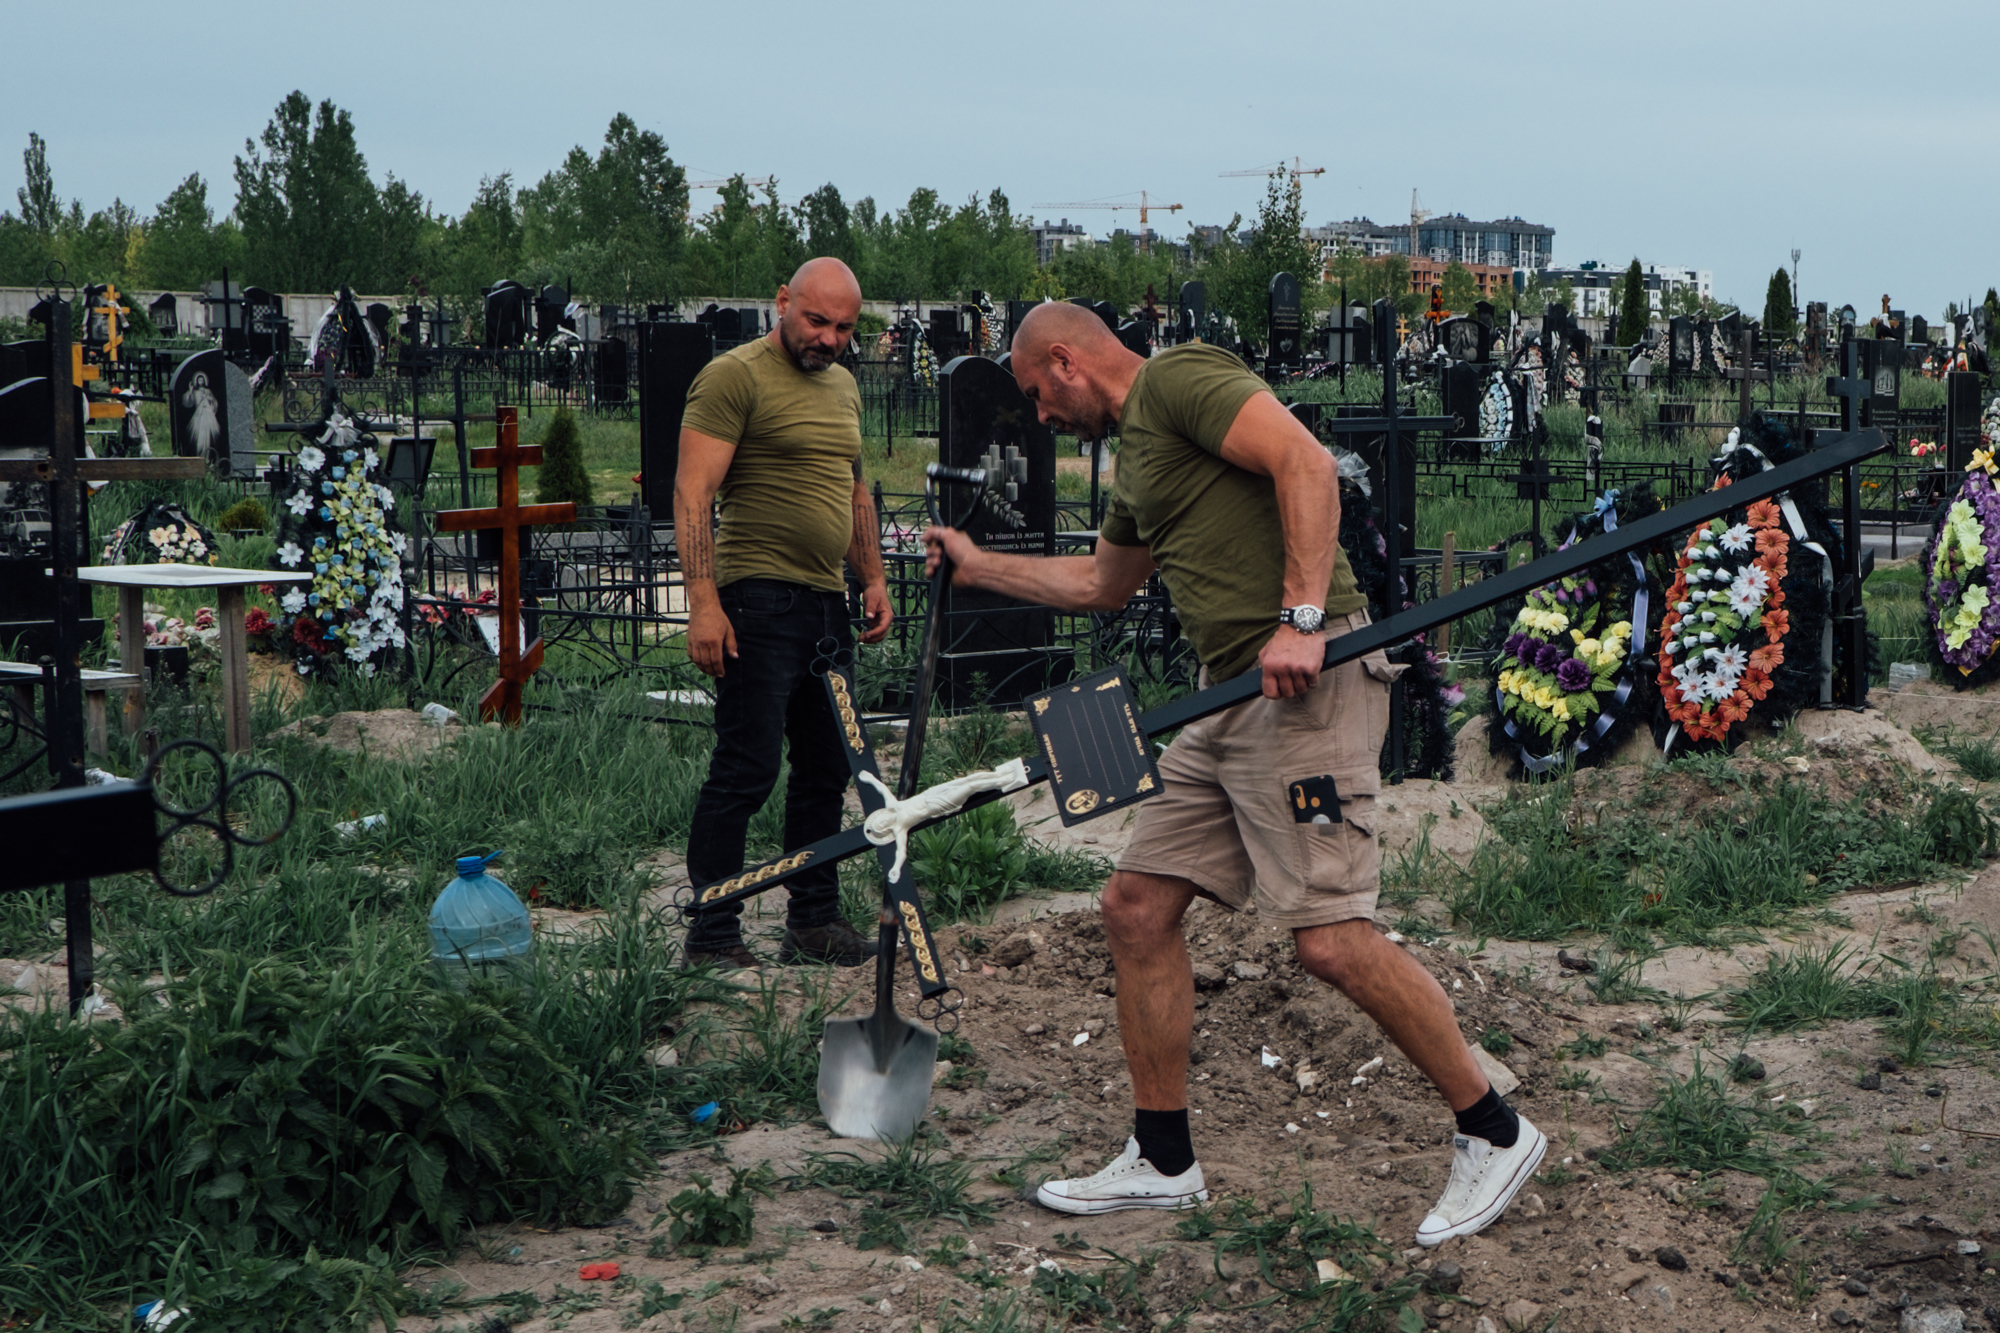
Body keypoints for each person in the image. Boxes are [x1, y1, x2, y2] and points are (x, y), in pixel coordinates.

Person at [924, 303, 1543, 1246]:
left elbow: (1305, 463)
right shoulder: (1135, 455)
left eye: (1038, 395)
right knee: (1135, 906)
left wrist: (1300, 617)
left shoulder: (1180, 379)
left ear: (1066, 361)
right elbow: (1103, 585)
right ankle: (1164, 1158)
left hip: (1306, 682)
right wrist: (979, 566)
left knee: (1329, 939)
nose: (1040, 417)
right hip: (1226, 696)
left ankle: (1494, 1130)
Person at [677, 257, 892, 970]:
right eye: (817, 320)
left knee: (827, 768)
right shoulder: (734, 376)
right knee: (747, 767)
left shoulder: (844, 386)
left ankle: (813, 920)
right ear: (782, 302)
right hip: (757, 602)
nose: (829, 338)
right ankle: (712, 932)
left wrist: (873, 577)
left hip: (827, 606)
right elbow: (692, 493)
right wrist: (703, 604)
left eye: (844, 328)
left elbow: (853, 490)